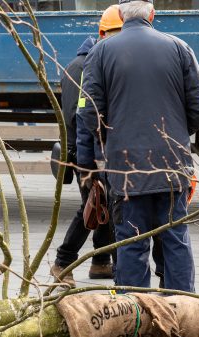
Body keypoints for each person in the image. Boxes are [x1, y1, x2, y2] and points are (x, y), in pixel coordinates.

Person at [77, 0, 199, 292]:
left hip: (126, 169)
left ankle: (134, 315)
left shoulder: (99, 53)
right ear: (152, 14)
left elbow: (87, 112)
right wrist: (176, 134)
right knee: (176, 239)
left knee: (131, 241)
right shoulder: (179, 47)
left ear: (122, 15)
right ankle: (182, 310)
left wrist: (112, 140)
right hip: (172, 165)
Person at [50, 4, 122, 288]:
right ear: (103, 34)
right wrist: (88, 161)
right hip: (85, 153)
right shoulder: (83, 67)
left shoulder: (89, 63)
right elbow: (78, 118)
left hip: (89, 150)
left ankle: (101, 263)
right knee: (92, 208)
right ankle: (62, 263)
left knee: (102, 205)